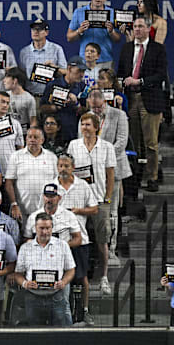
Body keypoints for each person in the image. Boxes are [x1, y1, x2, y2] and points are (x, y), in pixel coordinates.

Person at [117, 16, 168, 192]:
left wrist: (140, 81)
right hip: (131, 100)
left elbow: (161, 75)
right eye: (135, 26)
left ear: (148, 29)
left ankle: (152, 177)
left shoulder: (158, 49)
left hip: (150, 99)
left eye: (140, 26)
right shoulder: (126, 48)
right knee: (134, 142)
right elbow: (121, 73)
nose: (137, 29)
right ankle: (135, 178)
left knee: (151, 143)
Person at [68, 113, 116, 295]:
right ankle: (77, 277)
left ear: (96, 127)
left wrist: (108, 198)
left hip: (99, 200)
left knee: (102, 241)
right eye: (82, 125)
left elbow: (110, 174)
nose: (84, 128)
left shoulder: (107, 147)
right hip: (78, 200)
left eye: (88, 125)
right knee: (76, 238)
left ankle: (104, 278)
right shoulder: (74, 145)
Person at [47, 153, 98, 326]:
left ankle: (84, 311)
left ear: (73, 168)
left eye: (66, 166)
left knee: (82, 278)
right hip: (56, 242)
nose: (63, 169)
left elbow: (95, 209)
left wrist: (78, 211)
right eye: (60, 165)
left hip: (80, 240)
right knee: (59, 277)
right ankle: (60, 312)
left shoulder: (82, 185)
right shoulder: (51, 186)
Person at [83, 89, 131, 264]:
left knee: (111, 211)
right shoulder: (85, 117)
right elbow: (81, 140)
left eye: (98, 107)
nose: (95, 110)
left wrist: (102, 159)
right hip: (89, 173)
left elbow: (121, 142)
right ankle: (92, 249)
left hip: (114, 171)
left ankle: (111, 250)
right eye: (92, 107)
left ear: (105, 102)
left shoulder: (119, 115)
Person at [13, 212, 75, 326]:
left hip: (57, 296)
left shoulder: (62, 245)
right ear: (35, 228)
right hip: (32, 297)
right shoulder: (25, 248)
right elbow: (18, 274)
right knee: (35, 336)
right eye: (41, 228)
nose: (45, 232)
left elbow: (71, 270)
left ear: (52, 228)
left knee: (61, 335)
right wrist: (25, 283)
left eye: (48, 228)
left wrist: (64, 282)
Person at [5, 127, 58, 222]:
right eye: (30, 137)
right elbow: (9, 182)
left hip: (47, 210)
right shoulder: (16, 156)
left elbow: (57, 183)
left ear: (42, 140)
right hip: (22, 210)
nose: (32, 140)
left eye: (36, 137)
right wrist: (14, 204)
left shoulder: (52, 157)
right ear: (26, 139)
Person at [67, 0, 121, 68]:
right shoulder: (79, 12)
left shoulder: (112, 13)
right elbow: (69, 37)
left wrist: (112, 31)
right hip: (85, 61)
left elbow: (118, 39)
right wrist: (79, 31)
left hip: (105, 60)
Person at [40, 56, 87, 142]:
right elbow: (42, 108)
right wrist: (55, 107)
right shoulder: (52, 85)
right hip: (54, 134)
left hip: (73, 133)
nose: (82, 74)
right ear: (69, 69)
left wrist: (76, 104)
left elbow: (85, 111)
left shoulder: (82, 87)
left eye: (83, 71)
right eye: (79, 71)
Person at [19, 18, 67, 101]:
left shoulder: (56, 49)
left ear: (46, 32)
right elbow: (22, 75)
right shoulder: (24, 52)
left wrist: (54, 68)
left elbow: (66, 72)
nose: (35, 32)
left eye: (39, 29)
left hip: (50, 98)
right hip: (31, 96)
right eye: (33, 29)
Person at [4, 68, 37, 132]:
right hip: (8, 133)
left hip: (23, 133)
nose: (4, 81)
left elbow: (33, 122)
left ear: (15, 81)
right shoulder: (5, 96)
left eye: (7, 77)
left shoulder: (29, 98)